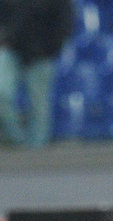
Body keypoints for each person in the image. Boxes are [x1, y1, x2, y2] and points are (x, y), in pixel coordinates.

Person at [0, 0, 72, 148]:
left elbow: (64, 21)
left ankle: (36, 150)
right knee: (2, 93)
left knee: (38, 104)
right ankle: (17, 140)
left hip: (41, 54)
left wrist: (50, 49)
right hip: (11, 49)